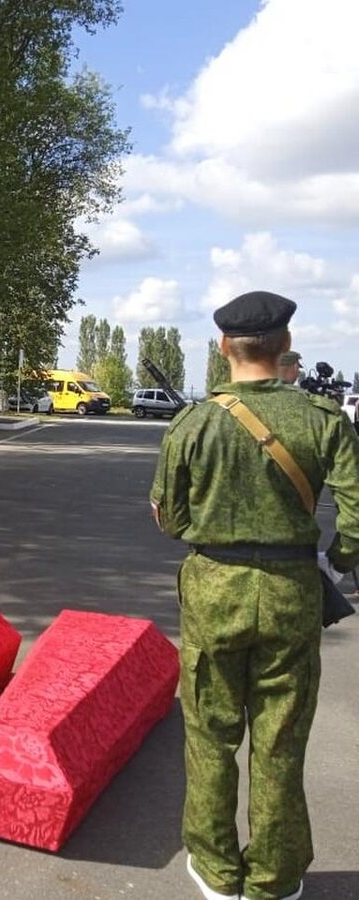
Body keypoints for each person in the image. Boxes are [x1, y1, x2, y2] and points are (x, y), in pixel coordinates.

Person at [150, 291, 359, 900]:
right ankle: (275, 876)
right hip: (293, 593)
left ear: (223, 348)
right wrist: (339, 561)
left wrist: (212, 535)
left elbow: (169, 518)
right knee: (280, 738)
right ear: (285, 345)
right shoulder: (324, 419)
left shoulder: (194, 423)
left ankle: (217, 872)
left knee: (210, 734)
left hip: (214, 590)